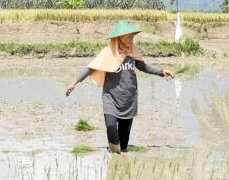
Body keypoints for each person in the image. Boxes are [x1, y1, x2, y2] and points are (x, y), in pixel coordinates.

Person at [66, 21, 173, 153]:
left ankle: (119, 158)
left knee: (123, 144)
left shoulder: (132, 52)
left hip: (129, 99)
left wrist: (162, 72)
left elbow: (144, 67)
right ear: (120, 39)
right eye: (128, 37)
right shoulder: (108, 53)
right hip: (110, 97)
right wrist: (74, 83)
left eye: (132, 37)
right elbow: (90, 68)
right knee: (111, 126)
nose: (131, 40)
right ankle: (114, 153)